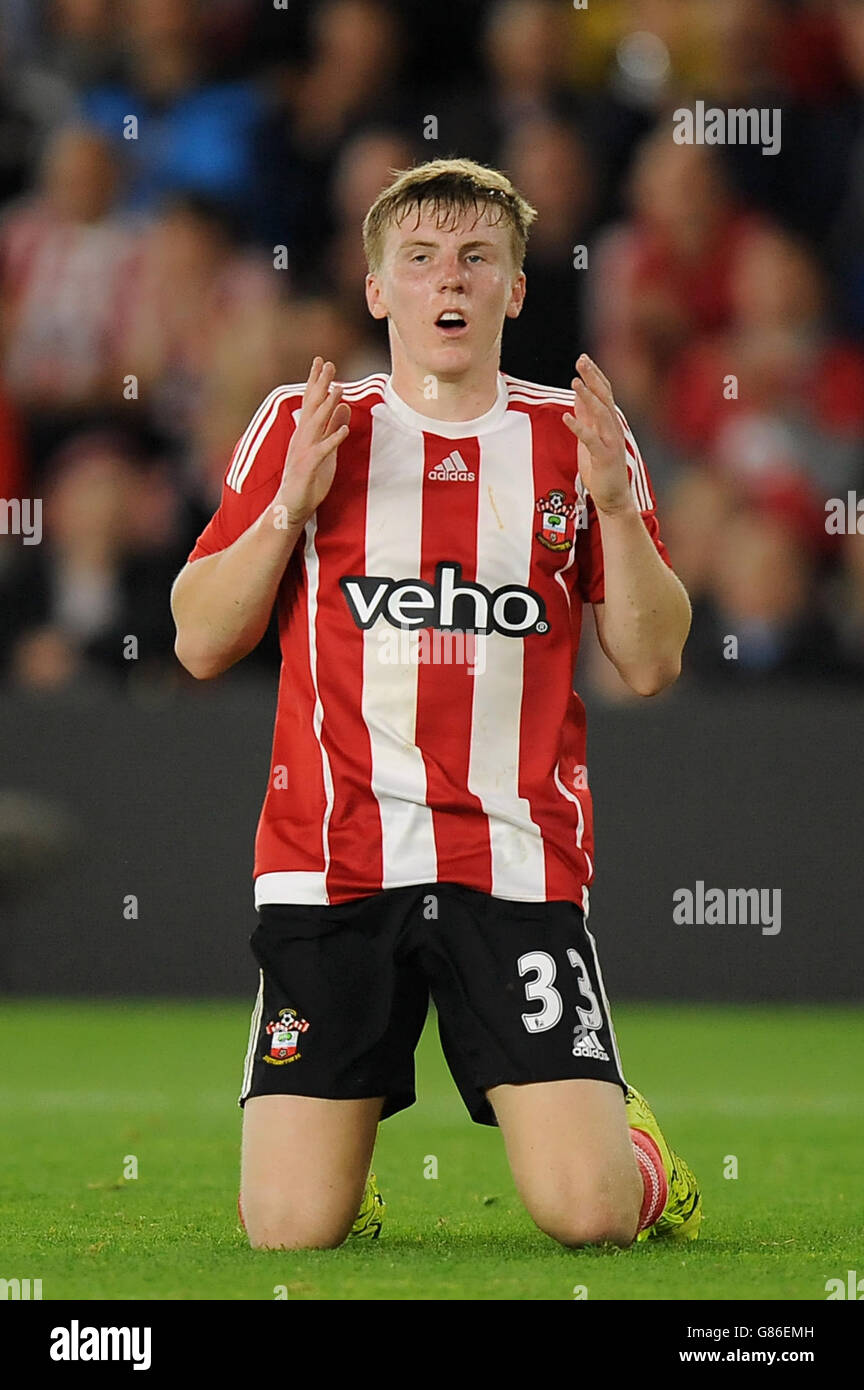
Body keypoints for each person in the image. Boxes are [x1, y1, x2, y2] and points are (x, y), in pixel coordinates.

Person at [170, 156, 701, 1252]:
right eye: (418, 260)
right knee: (287, 1231)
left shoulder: (577, 437)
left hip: (511, 860)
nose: (445, 280)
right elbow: (199, 637)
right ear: (378, 290)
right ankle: (334, 1165)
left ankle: (638, 1151)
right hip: (333, 863)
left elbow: (650, 662)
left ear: (513, 288)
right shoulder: (307, 423)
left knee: (590, 1216)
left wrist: (616, 505)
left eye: (474, 258)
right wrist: (286, 513)